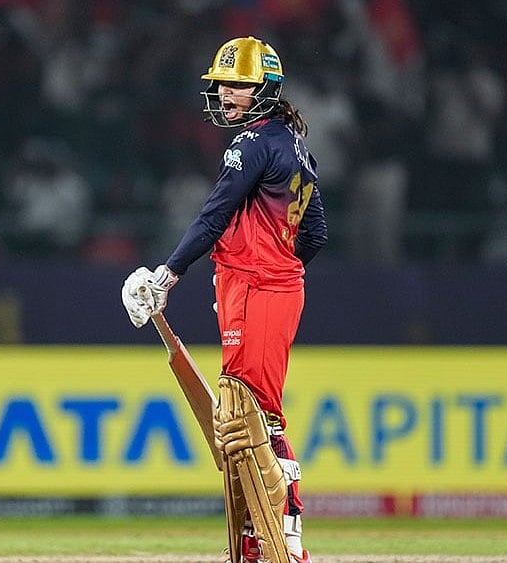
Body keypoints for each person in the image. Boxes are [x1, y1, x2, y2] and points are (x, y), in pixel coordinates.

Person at [122, 37, 327, 563]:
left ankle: (283, 536)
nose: (224, 93)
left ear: (264, 87)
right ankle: (265, 536)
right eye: (221, 83)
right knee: (249, 413)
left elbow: (213, 214)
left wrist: (169, 275)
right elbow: (314, 235)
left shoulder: (252, 143)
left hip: (259, 286)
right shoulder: (294, 144)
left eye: (235, 84)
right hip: (262, 284)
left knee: (254, 415)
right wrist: (258, 266)